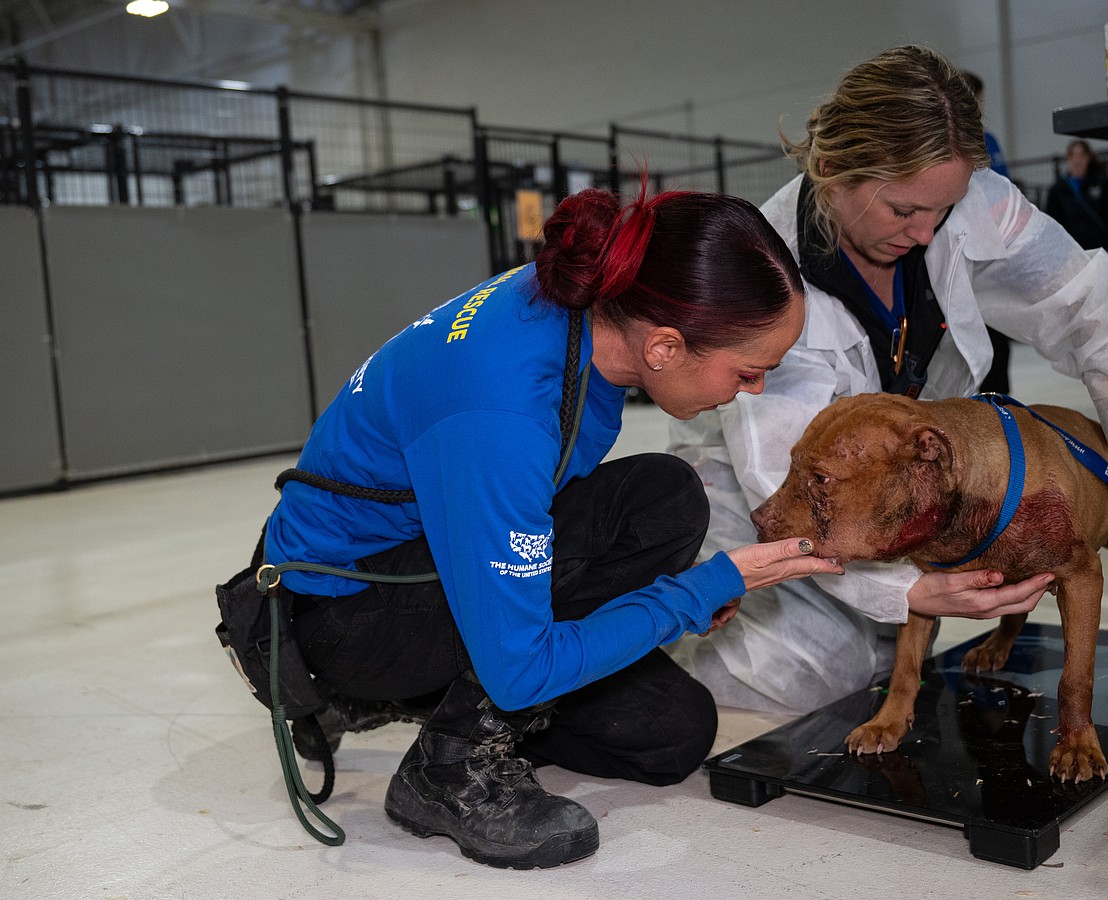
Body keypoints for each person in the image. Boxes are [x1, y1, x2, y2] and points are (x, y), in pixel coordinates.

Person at [239, 183, 843, 870]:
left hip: (423, 564)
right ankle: (445, 768)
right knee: (660, 501)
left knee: (670, 734)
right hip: (340, 614)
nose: (755, 390)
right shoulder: (503, 411)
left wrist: (685, 594)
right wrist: (702, 589)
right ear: (666, 347)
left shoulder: (579, 312)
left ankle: (420, 698)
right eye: (750, 372)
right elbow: (523, 671)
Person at [666, 45, 1108, 716]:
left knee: (909, 649)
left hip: (895, 488)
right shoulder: (772, 269)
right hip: (763, 488)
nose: (926, 230)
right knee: (822, 675)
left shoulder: (961, 202)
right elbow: (776, 470)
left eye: (942, 208)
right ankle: (657, 638)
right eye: (903, 210)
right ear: (830, 171)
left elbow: (1093, 306)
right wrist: (905, 594)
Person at [962, 69, 1012, 393]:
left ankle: (1001, 405)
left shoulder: (988, 141)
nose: (978, 107)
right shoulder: (947, 143)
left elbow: (1004, 190)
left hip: (991, 251)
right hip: (965, 251)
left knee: (997, 334)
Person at [1045, 139, 1108, 260]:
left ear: (1088, 158)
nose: (1077, 160)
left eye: (1081, 155)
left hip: (1099, 248)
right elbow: (1053, 223)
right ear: (1068, 158)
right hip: (1071, 252)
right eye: (1073, 155)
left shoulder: (1101, 183)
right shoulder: (1057, 189)